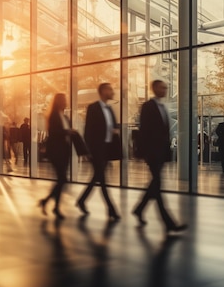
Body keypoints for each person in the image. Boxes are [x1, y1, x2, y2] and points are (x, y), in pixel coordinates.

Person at [133, 80, 187, 235]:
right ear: (155, 88)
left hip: (161, 152)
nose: (165, 90)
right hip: (152, 153)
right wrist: (146, 153)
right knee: (157, 186)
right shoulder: (148, 107)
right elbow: (144, 131)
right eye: (162, 87)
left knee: (155, 185)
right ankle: (169, 223)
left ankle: (139, 209)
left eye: (166, 88)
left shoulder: (163, 107)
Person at [75, 83, 121, 221]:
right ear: (103, 91)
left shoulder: (110, 109)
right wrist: (88, 150)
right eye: (110, 89)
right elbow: (88, 131)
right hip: (96, 149)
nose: (112, 91)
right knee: (101, 179)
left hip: (107, 149)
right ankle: (111, 209)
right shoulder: (93, 108)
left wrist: (114, 131)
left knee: (98, 178)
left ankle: (82, 200)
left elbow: (112, 127)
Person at [39, 93, 72, 220]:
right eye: (63, 100)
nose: (66, 102)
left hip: (64, 151)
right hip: (56, 152)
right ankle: (53, 206)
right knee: (62, 179)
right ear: (59, 101)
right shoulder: (53, 116)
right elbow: (54, 133)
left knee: (61, 180)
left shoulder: (65, 116)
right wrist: (67, 131)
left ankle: (49, 203)